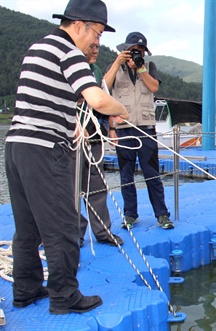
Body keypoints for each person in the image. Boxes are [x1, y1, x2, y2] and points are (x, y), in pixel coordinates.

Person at [5, 0, 128, 314]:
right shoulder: (70, 52)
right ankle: (65, 296)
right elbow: (97, 98)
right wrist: (122, 110)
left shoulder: (38, 48)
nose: (97, 42)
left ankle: (27, 289)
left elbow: (42, 98)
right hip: (45, 151)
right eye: (97, 34)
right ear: (79, 25)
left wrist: (71, 122)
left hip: (17, 146)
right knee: (62, 224)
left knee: (28, 227)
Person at [104, 32, 174, 230]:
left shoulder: (149, 67)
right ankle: (130, 215)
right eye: (134, 50)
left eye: (141, 51)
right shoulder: (115, 67)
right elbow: (104, 88)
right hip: (124, 129)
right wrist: (117, 63)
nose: (137, 54)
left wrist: (141, 68)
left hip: (146, 128)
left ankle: (162, 215)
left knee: (152, 174)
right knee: (126, 175)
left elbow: (153, 88)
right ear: (125, 50)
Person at [74, 43, 124, 247]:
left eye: (98, 46)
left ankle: (103, 232)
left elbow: (103, 99)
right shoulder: (69, 67)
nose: (96, 50)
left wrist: (112, 128)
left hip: (94, 138)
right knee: (71, 188)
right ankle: (74, 233)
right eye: (91, 46)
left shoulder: (94, 71)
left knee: (97, 186)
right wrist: (74, 123)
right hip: (72, 141)